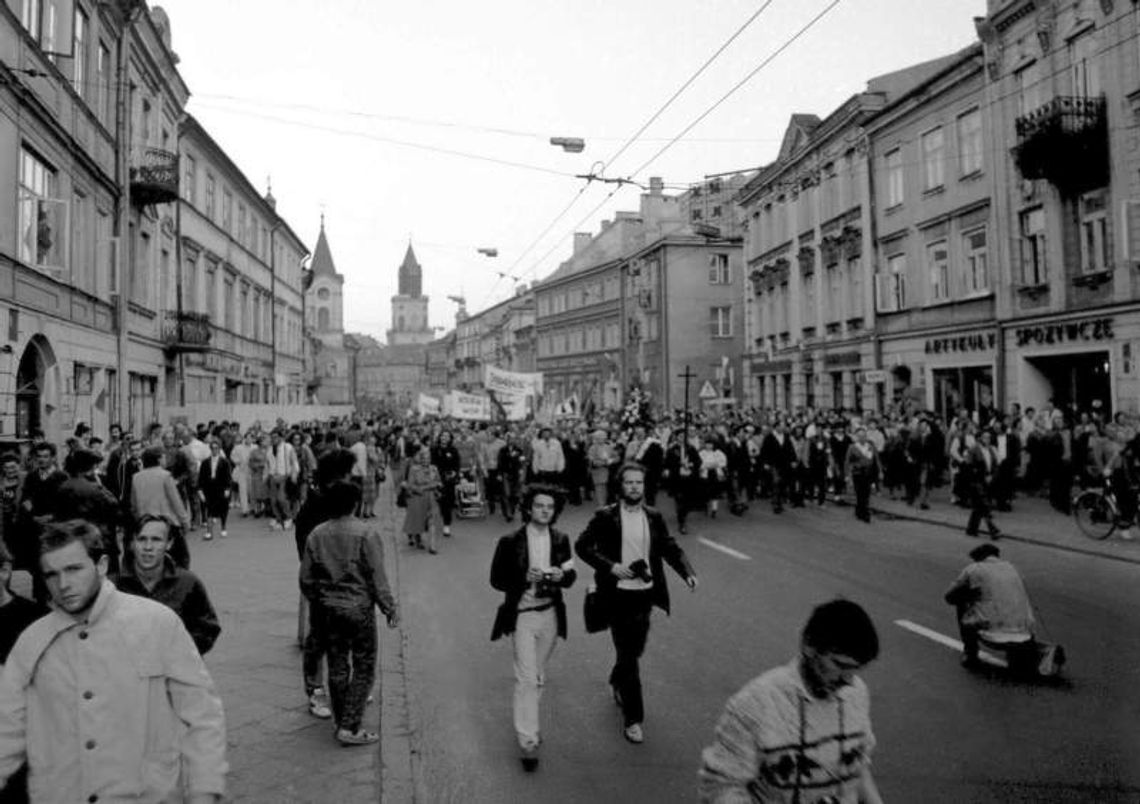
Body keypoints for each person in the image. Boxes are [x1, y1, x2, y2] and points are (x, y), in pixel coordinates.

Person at [0, 519, 227, 802]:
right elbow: (7, 729)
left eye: (73, 569)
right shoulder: (31, 642)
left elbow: (201, 715)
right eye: (51, 574)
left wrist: (204, 791)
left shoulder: (157, 623)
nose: (63, 584)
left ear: (101, 565)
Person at [698, 599, 883, 804]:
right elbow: (721, 789)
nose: (848, 680)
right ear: (809, 646)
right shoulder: (754, 705)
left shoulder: (856, 693)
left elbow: (858, 768)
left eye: (857, 669)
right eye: (839, 665)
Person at [575, 462, 698, 745]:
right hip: (617, 594)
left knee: (634, 650)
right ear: (620, 486)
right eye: (629, 483)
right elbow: (582, 546)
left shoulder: (653, 516)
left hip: (645, 594)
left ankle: (617, 679)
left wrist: (687, 573)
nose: (634, 487)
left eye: (639, 483)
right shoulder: (605, 516)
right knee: (629, 656)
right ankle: (633, 719)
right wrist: (611, 566)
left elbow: (668, 547)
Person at [299, 481, 399, 746]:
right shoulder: (366, 534)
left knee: (337, 664)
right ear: (354, 504)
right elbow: (377, 576)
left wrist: (318, 600)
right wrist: (388, 607)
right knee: (364, 666)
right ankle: (350, 725)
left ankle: (341, 719)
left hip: (328, 608)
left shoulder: (317, 534)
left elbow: (306, 578)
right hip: (358, 608)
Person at [489, 485, 577, 772]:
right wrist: (522, 577)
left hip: (550, 615)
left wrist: (561, 575)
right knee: (527, 679)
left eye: (550, 507)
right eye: (539, 506)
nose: (544, 511)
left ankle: (529, 721)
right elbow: (496, 580)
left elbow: (571, 574)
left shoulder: (562, 539)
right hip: (522, 616)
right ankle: (528, 740)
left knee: (536, 676)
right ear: (528, 508)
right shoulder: (510, 541)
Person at [296, 448, 359, 719]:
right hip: (322, 583)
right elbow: (304, 545)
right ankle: (315, 690)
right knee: (318, 639)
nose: (352, 478)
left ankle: (341, 686)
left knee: (343, 637)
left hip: (346, 584)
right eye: (348, 473)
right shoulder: (315, 505)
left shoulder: (343, 501)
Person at [115, 516, 221, 655]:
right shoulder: (112, 586)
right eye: (141, 539)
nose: (148, 547)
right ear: (132, 543)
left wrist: (179, 653)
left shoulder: (188, 583)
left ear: (169, 543)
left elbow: (208, 628)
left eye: (156, 540)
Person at [944, 543, 1034, 669]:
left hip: (992, 631)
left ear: (979, 558)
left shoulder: (974, 569)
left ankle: (970, 653)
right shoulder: (1013, 568)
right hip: (1025, 632)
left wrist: (969, 596)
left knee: (961, 603)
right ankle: (1019, 651)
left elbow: (949, 597)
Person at [55, 448, 123, 575]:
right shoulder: (95, 489)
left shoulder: (62, 487)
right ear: (89, 468)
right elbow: (116, 510)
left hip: (73, 541)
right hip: (98, 541)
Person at [131, 445, 192, 569]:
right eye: (163, 457)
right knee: (182, 560)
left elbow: (134, 505)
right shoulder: (165, 476)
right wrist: (185, 522)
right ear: (158, 459)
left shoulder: (136, 477)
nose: (165, 459)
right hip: (167, 523)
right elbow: (176, 502)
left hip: (145, 523)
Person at [403, 447, 443, 553]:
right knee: (418, 521)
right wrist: (423, 488)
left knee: (432, 521)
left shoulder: (434, 469)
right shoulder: (413, 469)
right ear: (420, 459)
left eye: (428, 458)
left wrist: (436, 485)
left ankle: (432, 546)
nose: (426, 460)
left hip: (432, 498)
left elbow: (439, 481)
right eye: (424, 458)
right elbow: (410, 485)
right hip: (418, 498)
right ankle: (418, 539)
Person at [963, 429, 1002, 539]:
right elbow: (969, 466)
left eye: (989, 437)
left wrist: (991, 476)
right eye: (985, 437)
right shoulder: (974, 449)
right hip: (977, 481)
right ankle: (993, 529)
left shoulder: (991, 450)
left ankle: (971, 529)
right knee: (984, 505)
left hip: (988, 480)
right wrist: (977, 477)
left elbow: (995, 465)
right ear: (980, 438)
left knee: (978, 507)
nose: (987, 439)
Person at [198, 438, 233, 540]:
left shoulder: (225, 462)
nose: (214, 450)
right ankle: (209, 532)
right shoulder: (205, 462)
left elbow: (228, 477)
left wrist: (227, 489)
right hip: (209, 488)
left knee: (223, 509)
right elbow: (201, 477)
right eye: (212, 448)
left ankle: (223, 527)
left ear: (219, 449)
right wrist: (200, 490)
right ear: (210, 449)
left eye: (216, 448)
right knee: (209, 509)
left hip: (221, 487)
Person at [844, 427, 879, 524]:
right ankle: (861, 511)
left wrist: (879, 472)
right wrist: (847, 475)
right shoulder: (852, 447)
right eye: (860, 436)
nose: (862, 438)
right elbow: (847, 461)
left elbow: (876, 459)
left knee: (866, 493)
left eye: (864, 436)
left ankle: (864, 512)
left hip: (868, 472)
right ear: (857, 437)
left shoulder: (870, 446)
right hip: (857, 473)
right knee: (860, 493)